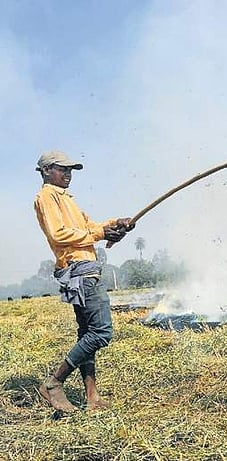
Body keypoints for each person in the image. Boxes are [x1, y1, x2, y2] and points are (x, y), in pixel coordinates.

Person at [34, 150, 134, 412]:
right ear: (46, 171)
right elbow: (58, 234)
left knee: (86, 333)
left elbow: (89, 228)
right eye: (62, 169)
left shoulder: (66, 199)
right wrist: (101, 233)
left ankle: (92, 397)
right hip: (80, 271)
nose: (68, 174)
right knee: (101, 332)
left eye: (70, 170)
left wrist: (115, 223)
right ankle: (54, 383)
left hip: (86, 268)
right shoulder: (47, 196)